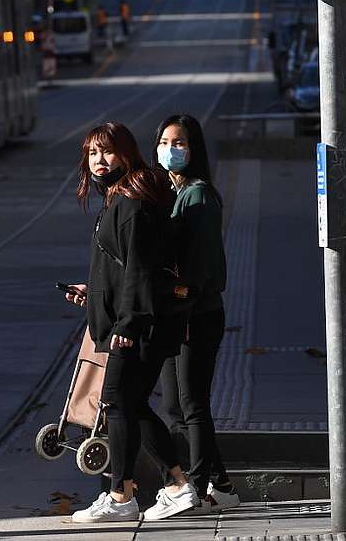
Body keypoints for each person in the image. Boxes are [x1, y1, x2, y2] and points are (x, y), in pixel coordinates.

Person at [65, 122, 199, 523]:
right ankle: (175, 485)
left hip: (139, 325)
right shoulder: (120, 198)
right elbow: (123, 267)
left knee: (118, 402)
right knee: (131, 404)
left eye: (107, 152)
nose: (99, 162)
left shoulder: (132, 203)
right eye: (92, 154)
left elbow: (141, 270)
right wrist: (94, 292)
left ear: (126, 153)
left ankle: (122, 495)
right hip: (138, 319)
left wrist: (127, 323)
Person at [152, 114, 240, 514]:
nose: (172, 149)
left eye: (180, 142)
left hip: (196, 314)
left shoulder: (198, 195)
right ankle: (220, 484)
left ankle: (198, 487)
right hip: (178, 315)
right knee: (175, 406)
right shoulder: (173, 193)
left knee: (191, 405)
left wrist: (179, 292)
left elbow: (200, 267)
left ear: (195, 149)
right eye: (166, 142)